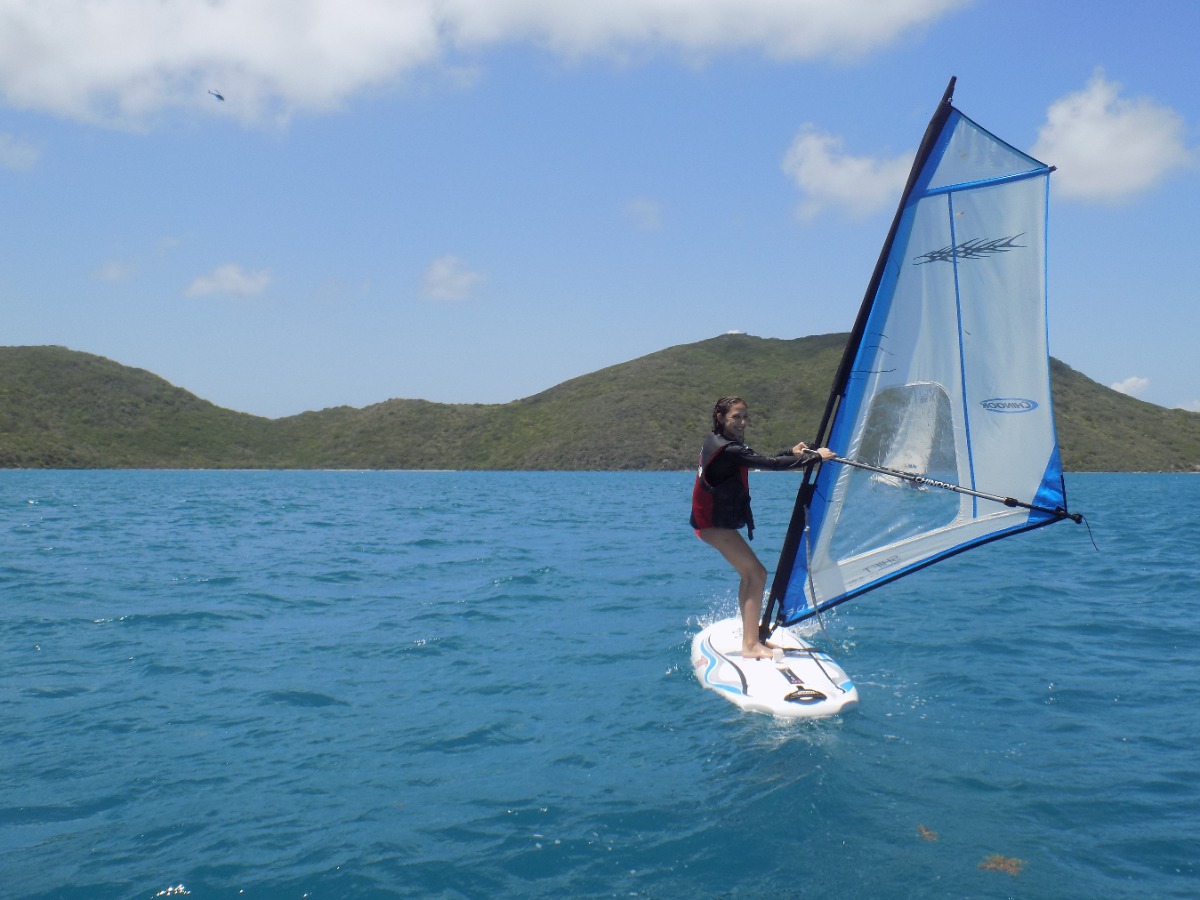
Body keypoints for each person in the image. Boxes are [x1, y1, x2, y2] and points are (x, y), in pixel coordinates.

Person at [691, 396, 835, 660]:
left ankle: (750, 636)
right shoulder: (728, 449)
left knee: (751, 575)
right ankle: (750, 645)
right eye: (736, 417)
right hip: (713, 525)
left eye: (745, 417)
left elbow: (760, 459)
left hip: (711, 523)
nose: (742, 422)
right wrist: (814, 458)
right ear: (721, 418)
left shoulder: (719, 441)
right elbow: (768, 464)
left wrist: (791, 453)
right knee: (756, 574)